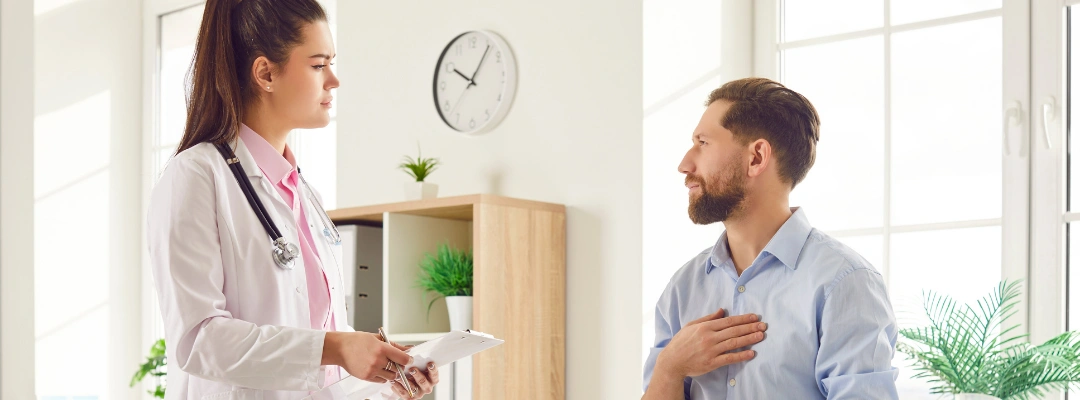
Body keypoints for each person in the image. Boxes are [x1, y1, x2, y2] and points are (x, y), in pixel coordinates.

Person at [146, 1, 437, 398]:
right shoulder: (196, 177)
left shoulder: (303, 193)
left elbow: (319, 360)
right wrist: (337, 347)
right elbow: (199, 340)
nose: (334, 80)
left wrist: (389, 379)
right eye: (319, 65)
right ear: (266, 73)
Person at [642, 78, 899, 399]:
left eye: (703, 143)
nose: (685, 164)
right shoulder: (683, 287)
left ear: (756, 157)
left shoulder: (844, 283)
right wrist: (669, 368)